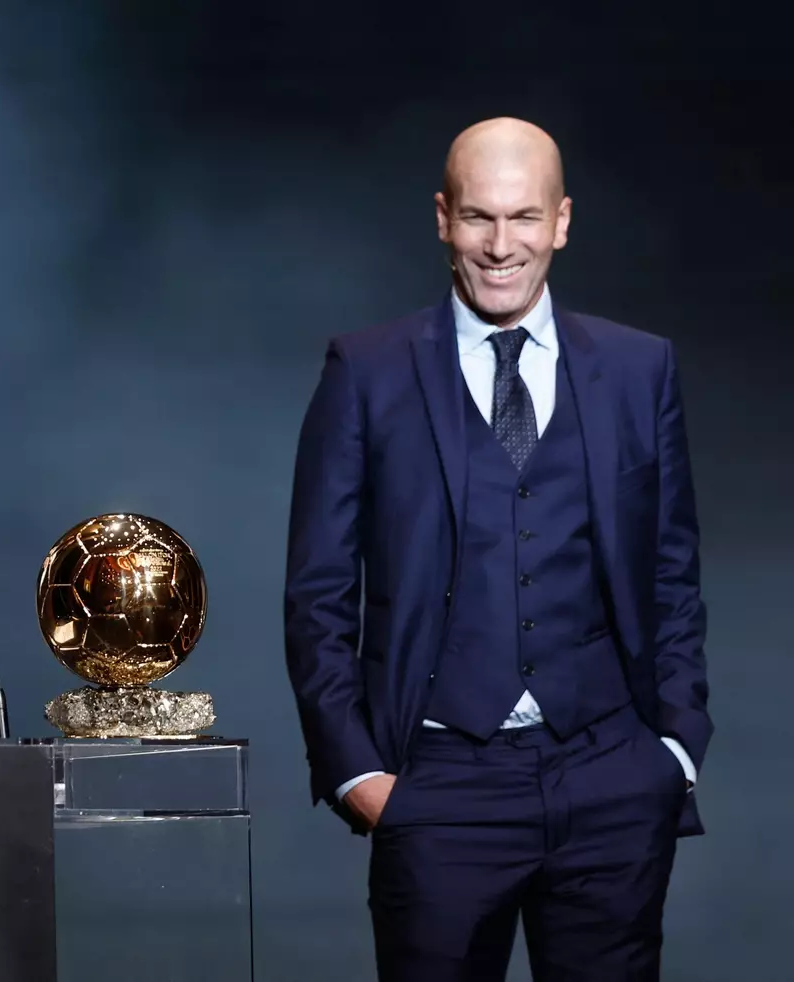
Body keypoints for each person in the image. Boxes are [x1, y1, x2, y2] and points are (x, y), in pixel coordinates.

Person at [283, 117, 711, 981]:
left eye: (524, 218)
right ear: (443, 218)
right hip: (439, 780)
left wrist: (673, 750)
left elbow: (673, 571)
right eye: (480, 217)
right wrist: (356, 771)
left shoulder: (639, 369)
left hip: (611, 776)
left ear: (561, 222)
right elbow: (318, 591)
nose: (501, 245)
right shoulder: (367, 372)